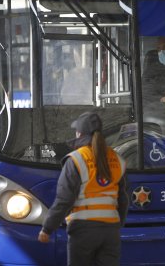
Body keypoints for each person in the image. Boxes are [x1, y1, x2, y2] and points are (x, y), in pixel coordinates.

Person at [38, 111, 129, 266]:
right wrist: (115, 225)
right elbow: (123, 199)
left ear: (79, 133)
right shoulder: (117, 159)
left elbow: (64, 200)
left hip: (83, 230)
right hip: (111, 231)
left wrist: (47, 228)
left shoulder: (76, 159)